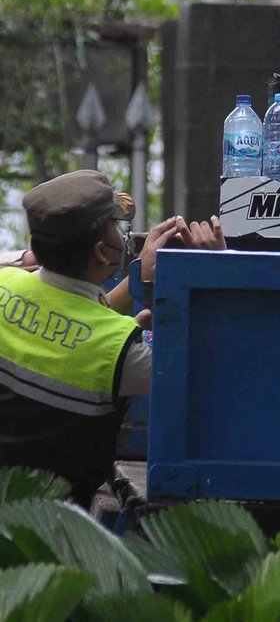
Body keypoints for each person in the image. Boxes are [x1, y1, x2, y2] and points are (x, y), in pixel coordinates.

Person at [0, 169, 225, 506]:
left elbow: (70, 311)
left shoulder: (6, 285)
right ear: (103, 252)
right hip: (51, 530)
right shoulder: (123, 350)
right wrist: (216, 274)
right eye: (116, 227)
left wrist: (139, 279)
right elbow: (221, 367)